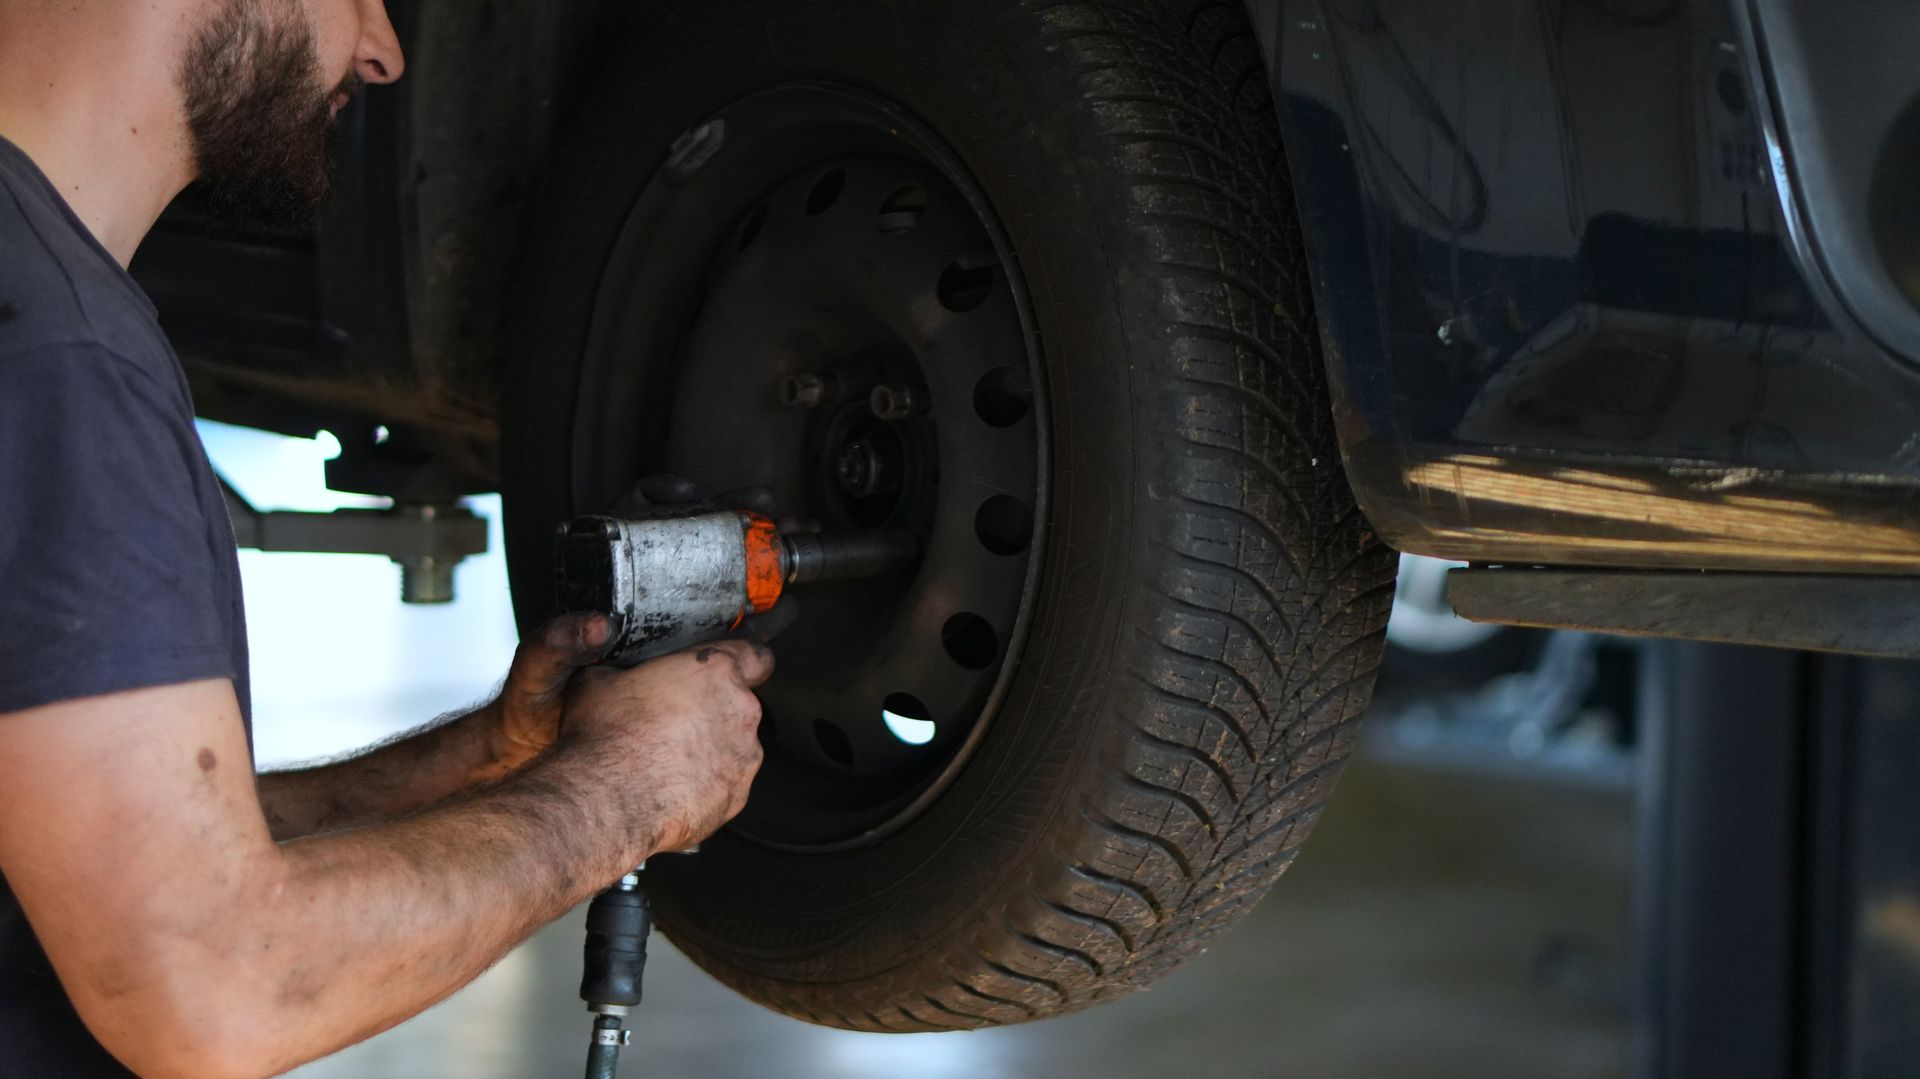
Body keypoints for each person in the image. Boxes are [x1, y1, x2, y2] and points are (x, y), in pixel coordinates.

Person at [0, 2, 773, 1076]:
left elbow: (89, 849)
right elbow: (215, 980)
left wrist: (485, 759)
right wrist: (623, 794)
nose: (384, 48)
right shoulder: (57, 359)